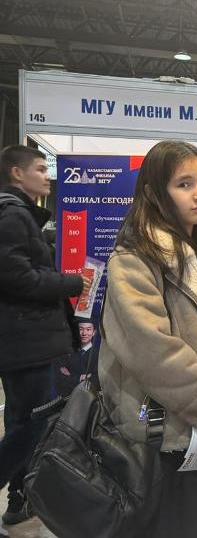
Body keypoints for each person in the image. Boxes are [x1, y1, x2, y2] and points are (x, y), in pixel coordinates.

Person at [98, 140, 197, 537]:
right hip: (164, 437)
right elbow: (155, 353)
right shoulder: (135, 259)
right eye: (184, 184)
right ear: (155, 192)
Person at [0, 145, 89, 526]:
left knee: (24, 421)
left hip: (25, 341)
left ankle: (20, 499)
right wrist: (71, 283)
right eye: (39, 168)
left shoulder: (19, 215)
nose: (47, 176)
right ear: (16, 173)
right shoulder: (12, 215)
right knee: (32, 424)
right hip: (27, 342)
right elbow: (17, 277)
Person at [54, 320, 98, 396]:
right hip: (67, 399)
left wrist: (71, 377)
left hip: (90, 399)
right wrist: (81, 378)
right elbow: (59, 379)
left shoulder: (99, 355)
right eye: (81, 329)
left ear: (94, 332)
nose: (84, 333)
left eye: (88, 329)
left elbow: (97, 381)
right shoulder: (65, 353)